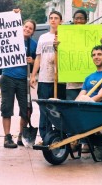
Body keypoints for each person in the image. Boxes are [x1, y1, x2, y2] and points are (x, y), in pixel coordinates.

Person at [0, 19, 37, 148]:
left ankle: (22, 135)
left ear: (33, 32)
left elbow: (37, 61)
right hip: (8, 77)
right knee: (7, 108)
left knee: (27, 109)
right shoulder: (10, 38)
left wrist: (32, 61)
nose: (27, 29)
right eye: (26, 26)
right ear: (21, 26)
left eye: (30, 28)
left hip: (23, 80)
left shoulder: (33, 44)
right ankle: (7, 137)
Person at [75, 45, 102, 152]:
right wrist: (73, 107)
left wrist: (85, 102)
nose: (96, 57)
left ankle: (78, 141)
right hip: (85, 108)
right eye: (94, 55)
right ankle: (73, 140)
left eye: (99, 54)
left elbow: (100, 96)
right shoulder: (89, 77)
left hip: (98, 111)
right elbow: (81, 95)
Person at [30, 11, 66, 143]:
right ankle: (46, 137)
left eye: (56, 18)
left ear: (61, 21)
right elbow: (38, 58)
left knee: (59, 110)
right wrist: (34, 75)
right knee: (44, 109)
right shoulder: (43, 37)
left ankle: (59, 137)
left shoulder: (65, 37)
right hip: (45, 78)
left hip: (60, 79)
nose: (53, 20)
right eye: (51, 18)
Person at [66, 10, 88, 100]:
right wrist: (56, 46)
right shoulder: (67, 35)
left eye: (81, 18)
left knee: (86, 108)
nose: (79, 21)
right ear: (73, 20)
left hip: (88, 81)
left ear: (86, 20)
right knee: (71, 108)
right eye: (76, 18)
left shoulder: (92, 35)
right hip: (72, 82)